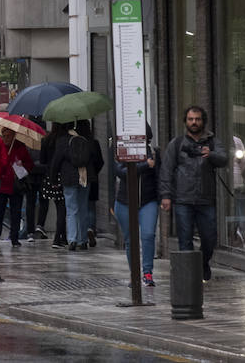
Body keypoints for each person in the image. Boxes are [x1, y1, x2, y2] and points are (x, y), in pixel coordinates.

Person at [160, 105, 228, 282]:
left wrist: (210, 154)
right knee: (185, 239)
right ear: (186, 122)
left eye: (197, 119)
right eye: (190, 119)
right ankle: (187, 277)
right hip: (183, 199)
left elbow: (224, 159)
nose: (194, 122)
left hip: (206, 199)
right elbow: (166, 170)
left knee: (209, 238)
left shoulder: (212, 142)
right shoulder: (176, 144)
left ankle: (203, 263)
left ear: (203, 121)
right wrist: (166, 195)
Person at [113, 125, 160, 287]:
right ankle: (135, 274)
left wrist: (164, 197)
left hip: (148, 200)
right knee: (130, 239)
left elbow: (160, 177)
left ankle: (147, 272)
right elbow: (122, 173)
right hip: (125, 201)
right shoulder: (121, 152)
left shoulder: (153, 153)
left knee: (147, 235)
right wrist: (145, 165)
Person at [50, 118, 103, 250]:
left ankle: (72, 239)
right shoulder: (89, 141)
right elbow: (98, 161)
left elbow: (55, 162)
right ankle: (82, 239)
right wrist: (92, 173)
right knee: (83, 208)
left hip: (69, 179)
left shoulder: (63, 141)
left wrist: (53, 179)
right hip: (86, 178)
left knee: (71, 209)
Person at [0, 127, 33, 246]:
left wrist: (21, 165)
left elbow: (30, 164)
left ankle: (14, 237)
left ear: (14, 136)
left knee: (16, 212)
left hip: (15, 185)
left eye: (8, 136)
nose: (6, 138)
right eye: (4, 136)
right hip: (2, 184)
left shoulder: (20, 147)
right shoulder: (0, 146)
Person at [40, 123, 68, 247]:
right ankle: (58, 238)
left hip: (50, 176)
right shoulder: (65, 140)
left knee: (59, 206)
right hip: (63, 175)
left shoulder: (46, 140)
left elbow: (42, 160)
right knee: (63, 208)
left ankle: (62, 237)